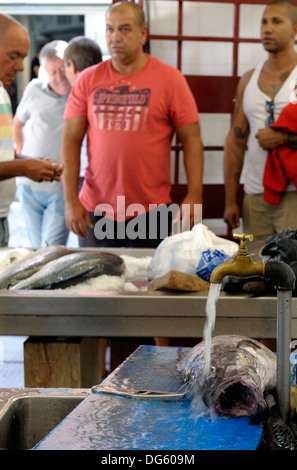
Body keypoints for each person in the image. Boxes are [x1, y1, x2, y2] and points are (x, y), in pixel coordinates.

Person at [61, 0, 204, 249]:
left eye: (124, 29)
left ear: (143, 34)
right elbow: (70, 141)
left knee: (146, 285)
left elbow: (191, 139)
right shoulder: (87, 79)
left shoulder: (170, 79)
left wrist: (195, 194)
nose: (115, 36)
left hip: (150, 209)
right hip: (96, 208)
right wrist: (70, 200)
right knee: (96, 285)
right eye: (109, 29)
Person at [224, 0, 297, 242]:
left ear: (294, 30)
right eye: (264, 22)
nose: (267, 28)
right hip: (255, 193)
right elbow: (235, 142)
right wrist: (231, 200)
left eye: (277, 22)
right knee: (254, 270)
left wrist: (285, 138)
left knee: (292, 272)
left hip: (293, 192)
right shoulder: (248, 80)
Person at [0, 14, 62, 247]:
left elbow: (3, 154)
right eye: (13, 56)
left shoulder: (2, 92)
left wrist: (34, 162)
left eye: (23, 57)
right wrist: (24, 167)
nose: (20, 66)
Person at [13, 40, 71, 247]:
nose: (59, 77)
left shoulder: (80, 92)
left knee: (50, 248)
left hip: (60, 188)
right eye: (52, 72)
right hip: (28, 186)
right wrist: (22, 156)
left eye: (62, 69)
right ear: (44, 71)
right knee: (35, 247)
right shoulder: (34, 88)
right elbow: (17, 123)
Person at [63, 36, 102, 190]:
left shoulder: (77, 95)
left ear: (71, 66)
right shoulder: (112, 93)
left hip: (81, 176)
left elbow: (71, 141)